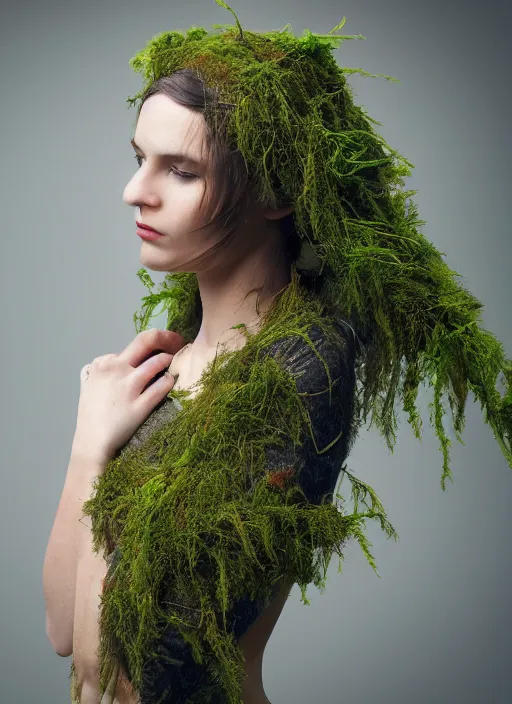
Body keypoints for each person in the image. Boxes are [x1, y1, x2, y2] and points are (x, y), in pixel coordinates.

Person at [43, 3, 512, 703]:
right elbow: (60, 632)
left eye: (181, 170)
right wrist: (88, 449)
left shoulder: (299, 373)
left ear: (276, 191)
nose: (134, 191)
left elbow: (143, 665)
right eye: (140, 159)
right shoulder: (162, 370)